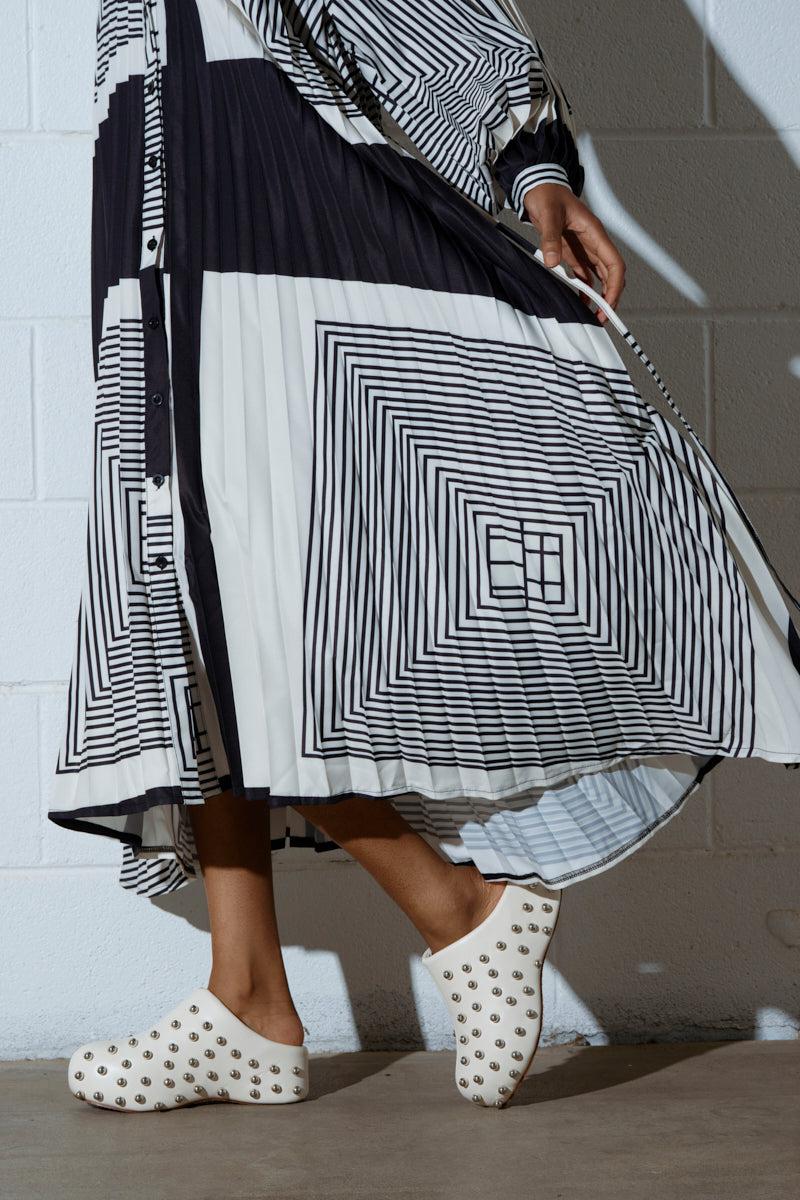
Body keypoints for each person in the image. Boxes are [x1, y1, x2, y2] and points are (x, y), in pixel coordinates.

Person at [54, 0, 800, 1113]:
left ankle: (433, 916)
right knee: (182, 607)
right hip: (159, 231)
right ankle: (248, 993)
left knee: (244, 613)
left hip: (274, 217)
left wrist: (535, 174)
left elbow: (438, 17)